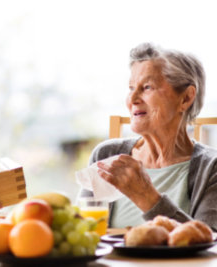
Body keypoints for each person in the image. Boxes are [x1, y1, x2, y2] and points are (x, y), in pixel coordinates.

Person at [88, 43, 217, 231]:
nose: (132, 99)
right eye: (131, 87)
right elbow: (85, 232)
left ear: (186, 98)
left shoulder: (211, 168)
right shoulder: (106, 155)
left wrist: (146, 197)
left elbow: (209, 244)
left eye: (147, 87)